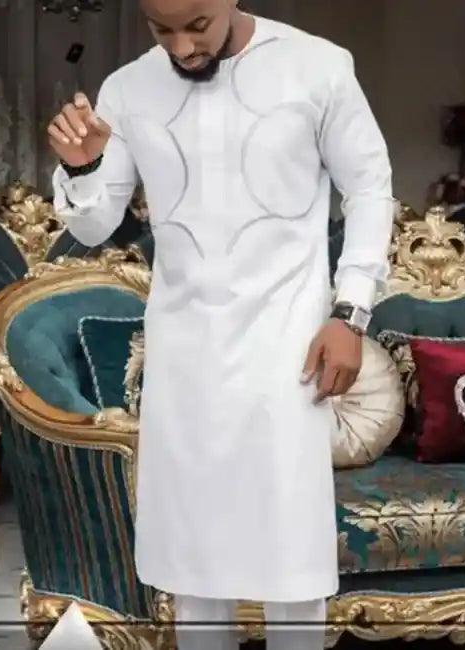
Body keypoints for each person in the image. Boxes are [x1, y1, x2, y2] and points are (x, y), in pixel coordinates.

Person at [47, 1, 394, 648]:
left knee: (293, 564)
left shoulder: (317, 67)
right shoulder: (127, 89)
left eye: (197, 26)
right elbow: (93, 227)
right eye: (162, 30)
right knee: (194, 569)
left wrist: (350, 313)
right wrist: (83, 166)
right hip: (185, 359)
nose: (182, 47)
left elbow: (370, 189)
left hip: (288, 355)